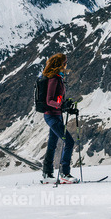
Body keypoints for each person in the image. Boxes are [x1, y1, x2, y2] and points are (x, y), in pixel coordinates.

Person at [41, 53, 79, 183]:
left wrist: (66, 107)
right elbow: (49, 100)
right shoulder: (53, 79)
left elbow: (58, 100)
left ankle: (47, 174)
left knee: (52, 144)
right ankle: (65, 173)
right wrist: (62, 106)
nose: (66, 64)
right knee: (69, 142)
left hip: (56, 116)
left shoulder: (58, 78)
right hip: (51, 116)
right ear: (60, 64)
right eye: (65, 62)